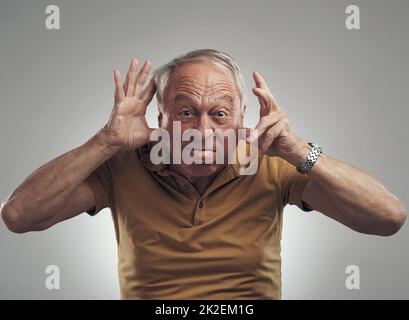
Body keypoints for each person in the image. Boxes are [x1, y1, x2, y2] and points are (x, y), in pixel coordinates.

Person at [1, 49, 406, 299]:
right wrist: (106, 141)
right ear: (162, 119)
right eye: (186, 112)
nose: (203, 130)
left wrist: (301, 151)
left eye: (220, 114)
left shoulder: (274, 162)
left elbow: (388, 218)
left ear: (242, 120)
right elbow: (19, 216)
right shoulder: (123, 164)